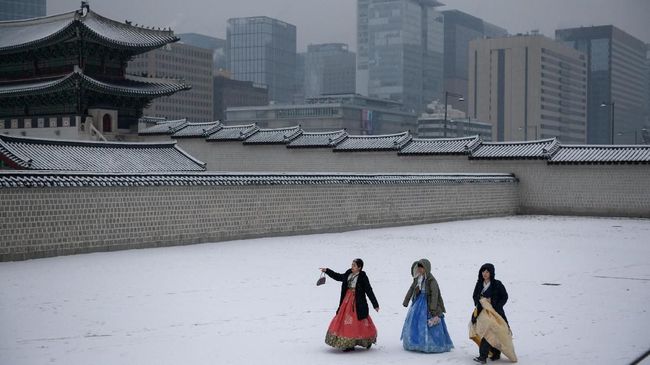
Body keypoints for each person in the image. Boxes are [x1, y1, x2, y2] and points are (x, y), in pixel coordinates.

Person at [319, 258, 379, 351]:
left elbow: (369, 291)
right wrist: (327, 271)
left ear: (359, 267)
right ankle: (349, 343)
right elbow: (338, 276)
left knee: (359, 322)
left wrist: (375, 304)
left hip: (358, 302)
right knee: (346, 321)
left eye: (354, 265)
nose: (352, 267)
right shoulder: (348, 274)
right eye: (352, 265)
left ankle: (366, 341)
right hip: (347, 301)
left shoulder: (363, 277)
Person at [401, 259, 454, 353]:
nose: (420, 269)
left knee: (429, 324)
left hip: (429, 304)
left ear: (426, 268)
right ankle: (415, 342)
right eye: (419, 267)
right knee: (415, 322)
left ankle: (431, 343)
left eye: (422, 267)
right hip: (418, 302)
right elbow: (412, 288)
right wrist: (406, 300)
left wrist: (433, 308)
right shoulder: (418, 278)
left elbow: (435, 295)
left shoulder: (431, 280)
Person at [469, 263, 517, 363]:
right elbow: (474, 296)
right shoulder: (479, 284)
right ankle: (495, 353)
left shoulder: (497, 284)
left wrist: (495, 304)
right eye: (483, 271)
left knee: (491, 332)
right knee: (487, 332)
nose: (485, 274)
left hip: (495, 313)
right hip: (481, 313)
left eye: (487, 271)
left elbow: (505, 296)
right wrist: (481, 301)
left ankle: (484, 356)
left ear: (491, 273)